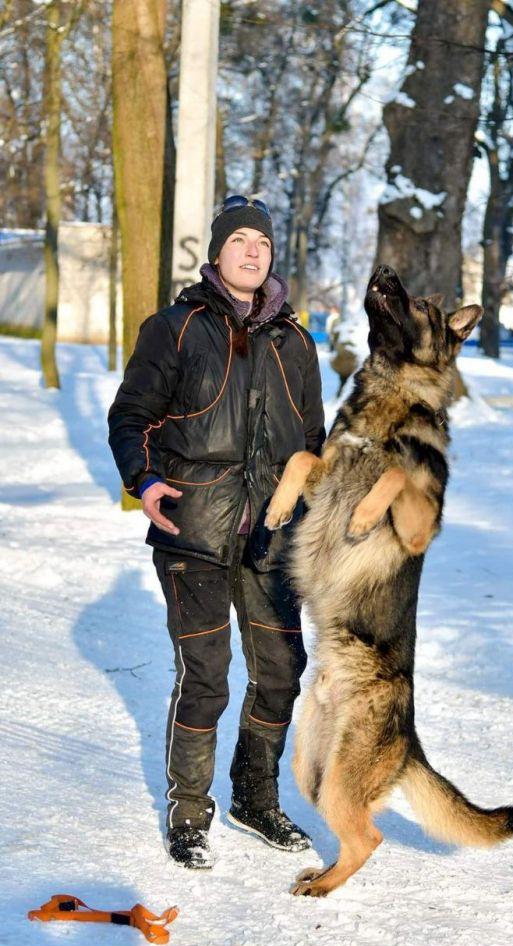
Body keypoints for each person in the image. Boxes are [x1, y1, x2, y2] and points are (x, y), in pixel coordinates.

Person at [108, 195, 326, 869]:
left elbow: (312, 442)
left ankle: (254, 797)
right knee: (205, 676)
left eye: (262, 242)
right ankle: (188, 810)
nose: (253, 252)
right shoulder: (175, 327)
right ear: (217, 253)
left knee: (282, 673)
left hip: (270, 535)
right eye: (240, 241)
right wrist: (143, 481)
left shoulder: (295, 342)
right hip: (191, 529)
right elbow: (131, 416)